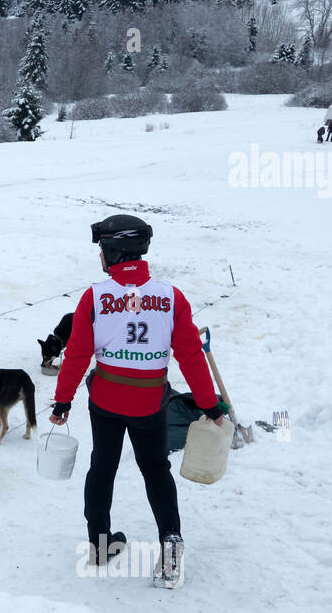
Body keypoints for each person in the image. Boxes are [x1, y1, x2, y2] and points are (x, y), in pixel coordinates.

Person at [49, 214, 228, 586]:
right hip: (149, 402)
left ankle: (99, 544)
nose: (100, 254)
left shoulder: (94, 298)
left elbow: (78, 355)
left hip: (106, 400)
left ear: (113, 250)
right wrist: (209, 405)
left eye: (101, 248)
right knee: (155, 468)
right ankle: (171, 542)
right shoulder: (170, 296)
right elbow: (191, 355)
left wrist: (62, 401)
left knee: (103, 466)